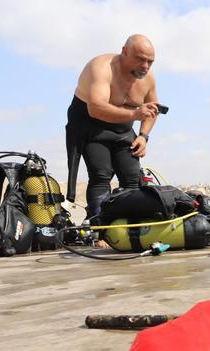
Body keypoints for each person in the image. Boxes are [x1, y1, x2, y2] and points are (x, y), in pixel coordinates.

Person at [65, 34, 161, 219]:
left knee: (132, 177)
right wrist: (134, 114)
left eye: (150, 61)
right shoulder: (101, 67)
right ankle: (101, 227)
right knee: (101, 175)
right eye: (140, 59)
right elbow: (96, 108)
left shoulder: (148, 79)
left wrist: (143, 136)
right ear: (124, 52)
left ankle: (130, 226)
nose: (145, 66)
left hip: (123, 129)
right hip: (91, 127)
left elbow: (152, 110)